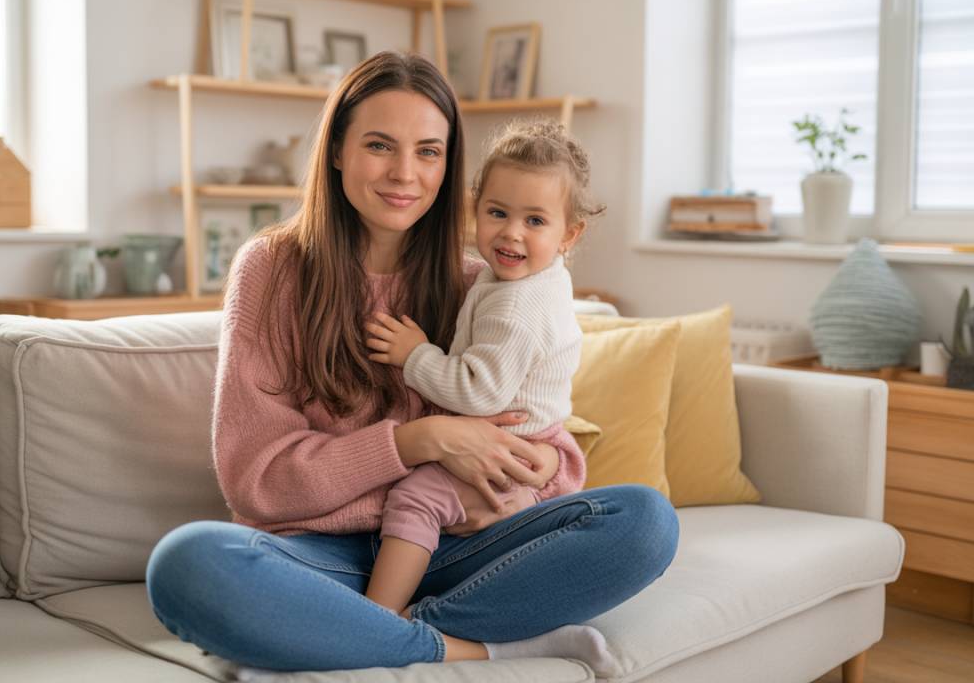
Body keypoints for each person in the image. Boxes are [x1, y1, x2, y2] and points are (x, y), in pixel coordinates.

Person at [145, 51, 680, 676]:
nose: (405, 173)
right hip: (322, 556)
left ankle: (356, 634)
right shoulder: (271, 270)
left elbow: (533, 426)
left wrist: (539, 474)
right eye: (380, 145)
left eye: (428, 151)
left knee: (645, 522)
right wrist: (418, 440)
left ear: (449, 166)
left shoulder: (482, 280)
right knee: (188, 562)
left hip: (456, 547)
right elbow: (255, 479)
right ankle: (459, 646)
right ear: (338, 149)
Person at [361, 117, 603, 619]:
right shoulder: (523, 280)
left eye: (535, 221)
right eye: (497, 212)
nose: (511, 234)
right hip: (524, 450)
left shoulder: (516, 305)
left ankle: (377, 617)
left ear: (569, 234)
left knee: (416, 499)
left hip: (511, 450)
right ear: (476, 208)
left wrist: (415, 355)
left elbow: (480, 392)